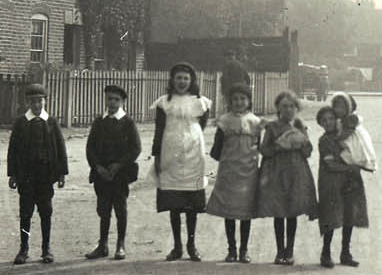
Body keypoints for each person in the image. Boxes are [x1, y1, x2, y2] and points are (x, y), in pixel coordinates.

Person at [151, 63, 213, 261]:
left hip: (194, 152)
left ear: (191, 81)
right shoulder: (164, 103)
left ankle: (191, 245)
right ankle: (177, 246)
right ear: (172, 80)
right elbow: (159, 130)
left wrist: (191, 137)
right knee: (175, 203)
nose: (182, 82)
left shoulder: (199, 102)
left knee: (191, 203)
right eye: (178, 78)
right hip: (171, 152)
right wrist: (158, 155)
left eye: (186, 78)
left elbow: (202, 124)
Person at [6, 82, 68, 265]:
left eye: (40, 101)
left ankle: (46, 248)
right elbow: (13, 150)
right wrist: (13, 174)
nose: (37, 105)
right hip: (26, 177)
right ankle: (24, 248)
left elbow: (60, 148)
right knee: (25, 213)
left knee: (46, 212)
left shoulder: (51, 122)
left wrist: (62, 173)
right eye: (33, 102)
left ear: (45, 101)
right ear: (27, 102)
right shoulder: (21, 123)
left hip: (45, 176)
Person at [255, 90, 317, 265]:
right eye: (284, 106)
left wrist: (302, 141)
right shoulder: (272, 127)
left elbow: (308, 151)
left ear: (296, 108)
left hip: (296, 172)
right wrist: (278, 147)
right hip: (277, 172)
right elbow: (264, 150)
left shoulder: (300, 125)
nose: (288, 110)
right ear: (278, 108)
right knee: (279, 211)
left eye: (291, 106)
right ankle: (279, 250)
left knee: (292, 211)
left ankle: (289, 250)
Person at [206, 81, 262, 263]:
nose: (239, 102)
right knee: (229, 211)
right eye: (235, 99)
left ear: (249, 101)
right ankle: (231, 249)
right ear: (229, 102)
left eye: (242, 99)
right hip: (229, 171)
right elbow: (216, 150)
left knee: (246, 212)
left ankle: (244, 250)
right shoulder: (224, 121)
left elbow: (260, 146)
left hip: (248, 172)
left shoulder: (256, 122)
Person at [85, 84, 141, 260]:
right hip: (102, 174)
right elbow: (90, 148)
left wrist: (119, 165)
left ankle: (120, 244)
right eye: (109, 98)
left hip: (120, 174)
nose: (112, 102)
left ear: (122, 101)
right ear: (105, 99)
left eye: (116, 99)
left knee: (120, 209)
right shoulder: (99, 122)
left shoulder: (127, 122)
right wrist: (97, 167)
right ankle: (102, 245)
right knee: (103, 209)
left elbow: (136, 148)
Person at [315, 106, 368, 268]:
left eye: (331, 118)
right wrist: (350, 168)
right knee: (331, 217)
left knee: (349, 214)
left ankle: (346, 252)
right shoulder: (324, 141)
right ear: (320, 124)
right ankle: (326, 253)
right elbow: (330, 164)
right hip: (331, 182)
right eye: (324, 120)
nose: (328, 122)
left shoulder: (345, 136)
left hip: (349, 181)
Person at [330, 92, 378, 173]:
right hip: (347, 142)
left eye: (342, 108)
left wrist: (335, 138)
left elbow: (345, 134)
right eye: (336, 107)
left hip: (353, 142)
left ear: (349, 108)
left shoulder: (351, 119)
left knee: (353, 154)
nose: (338, 110)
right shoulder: (340, 120)